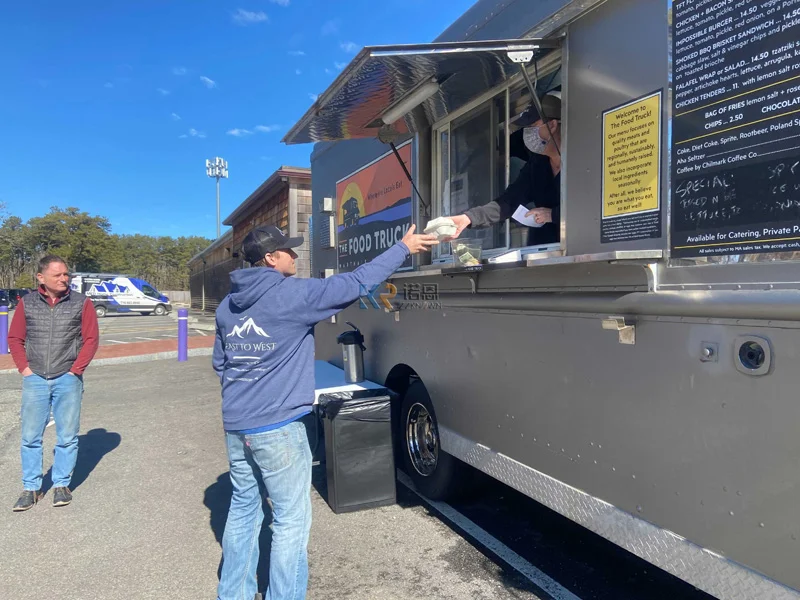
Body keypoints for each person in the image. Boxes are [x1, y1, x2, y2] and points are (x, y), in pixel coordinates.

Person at [213, 223, 438, 600]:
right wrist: (403, 247)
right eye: (288, 251)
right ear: (270, 258)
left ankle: (232, 594)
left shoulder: (227, 304)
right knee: (289, 522)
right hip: (279, 427)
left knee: (243, 510)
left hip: (236, 425)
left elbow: (222, 364)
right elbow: (356, 283)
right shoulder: (292, 295)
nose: (295, 257)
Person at [8, 255, 100, 511]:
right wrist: (25, 369)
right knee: (30, 437)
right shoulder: (27, 303)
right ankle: (31, 488)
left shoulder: (82, 303)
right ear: (41, 278)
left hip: (67, 378)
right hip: (35, 377)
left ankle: (61, 484)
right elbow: (15, 338)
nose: (64, 279)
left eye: (66, 274)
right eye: (57, 275)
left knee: (67, 436)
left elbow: (90, 339)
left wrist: (75, 370)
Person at [448, 91, 562, 247]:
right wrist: (468, 218)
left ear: (552, 125)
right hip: (546, 249)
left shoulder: (582, 160)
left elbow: (597, 207)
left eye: (532, 126)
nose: (527, 133)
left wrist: (553, 215)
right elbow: (508, 202)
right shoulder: (537, 164)